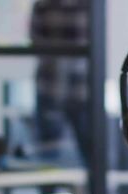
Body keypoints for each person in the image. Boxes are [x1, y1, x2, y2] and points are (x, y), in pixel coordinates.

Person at [30, 0, 93, 166]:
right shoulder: (44, 5)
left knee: (92, 153)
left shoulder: (90, 6)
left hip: (81, 89)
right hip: (52, 87)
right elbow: (36, 42)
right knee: (48, 153)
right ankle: (48, 191)